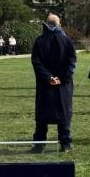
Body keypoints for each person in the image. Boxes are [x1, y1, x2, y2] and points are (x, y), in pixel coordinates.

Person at [30, 14, 76, 152]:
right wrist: (62, 78)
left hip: (45, 85)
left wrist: (49, 77)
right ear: (59, 24)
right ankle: (65, 143)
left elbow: (36, 62)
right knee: (64, 115)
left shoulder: (39, 41)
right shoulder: (67, 41)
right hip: (63, 85)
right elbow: (71, 62)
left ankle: (39, 144)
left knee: (42, 117)